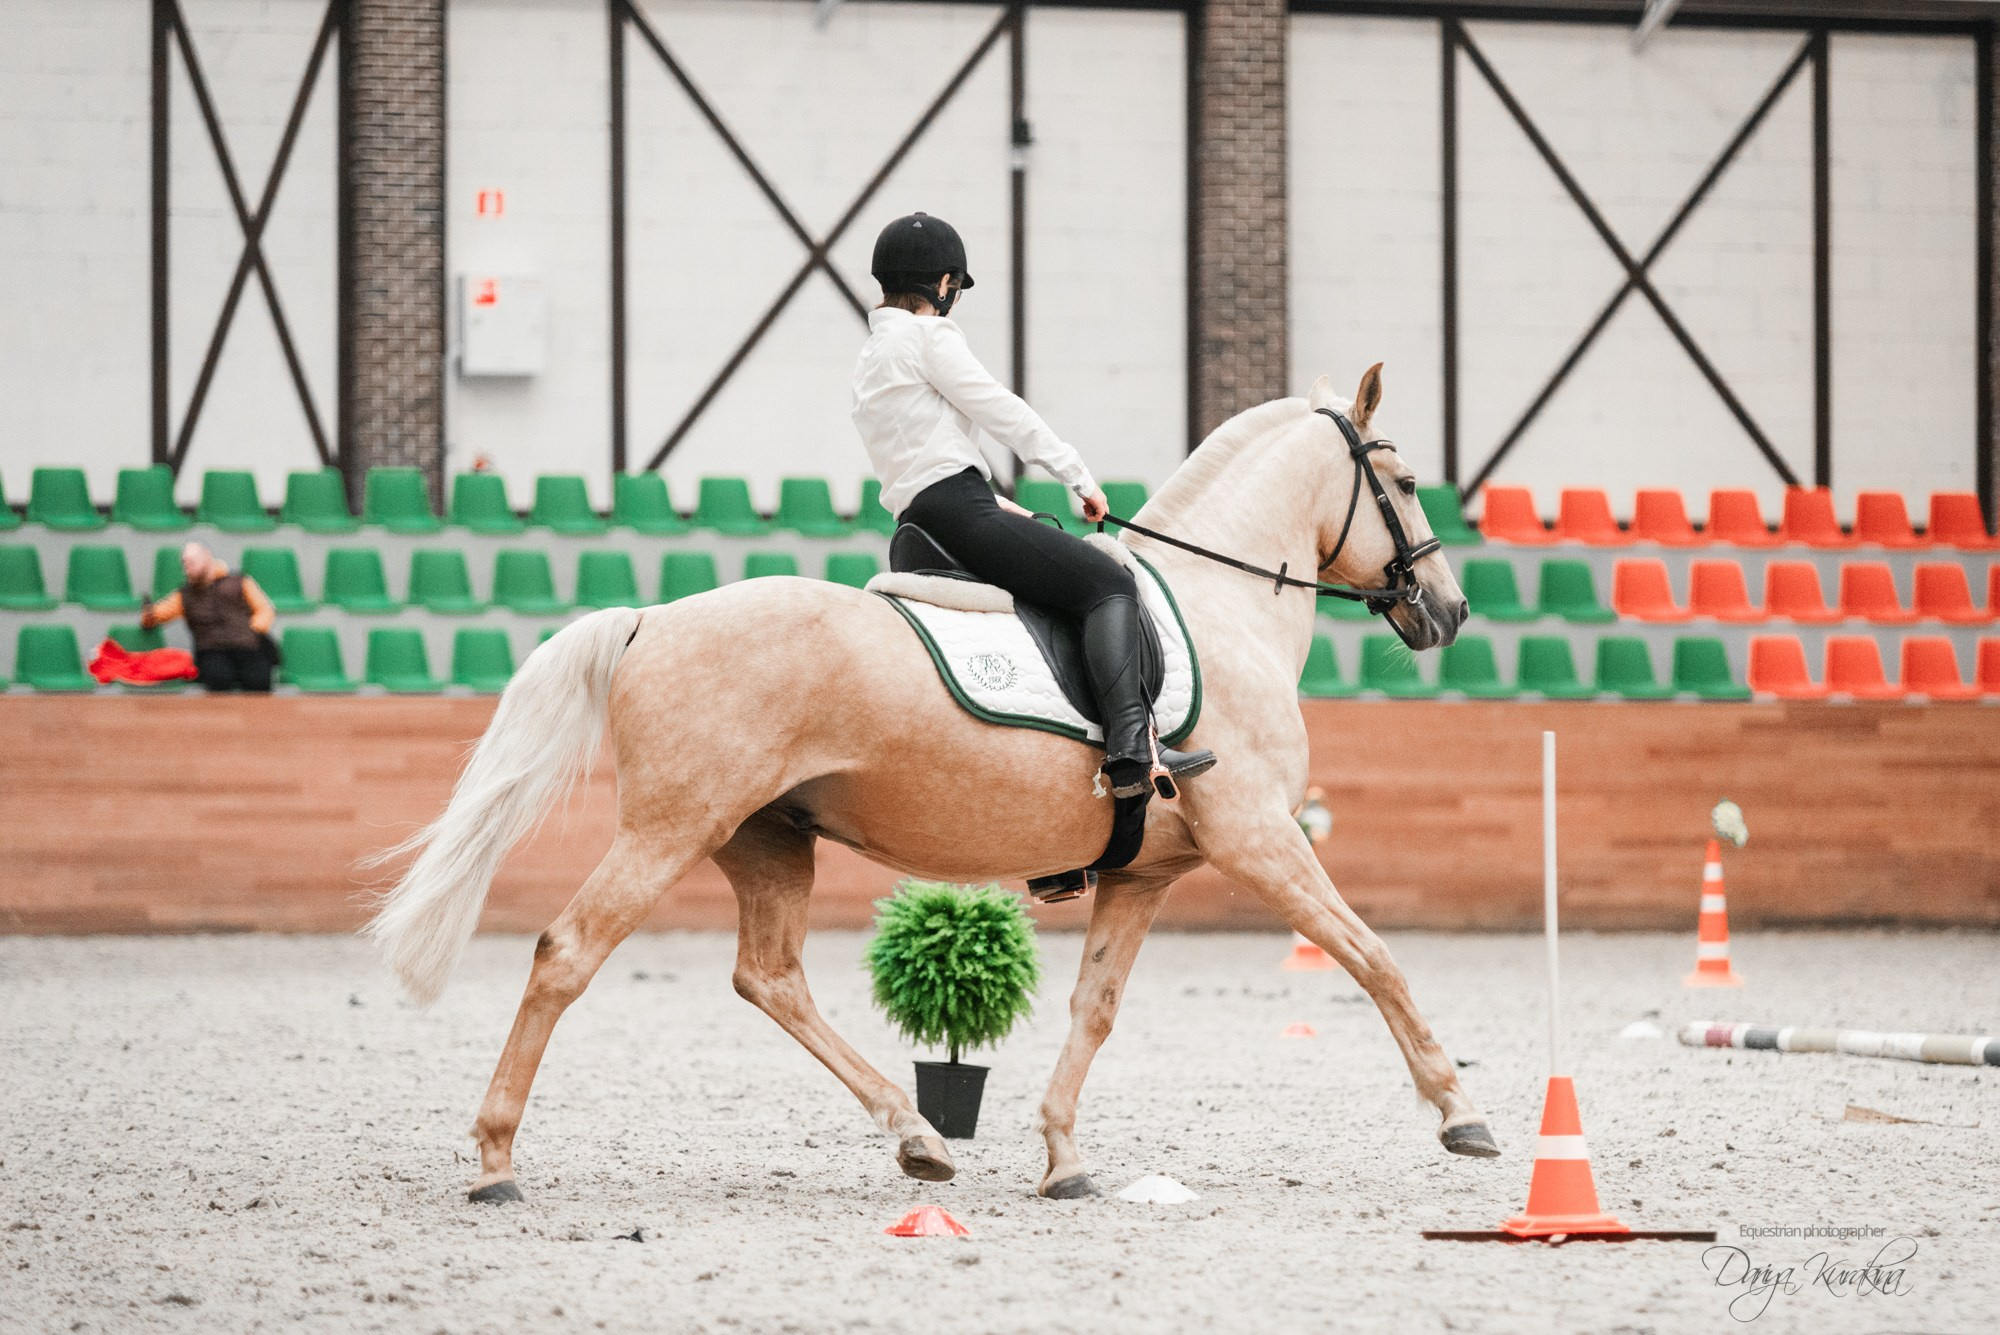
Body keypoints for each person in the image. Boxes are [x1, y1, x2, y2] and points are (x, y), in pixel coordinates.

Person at [851, 211, 1215, 798]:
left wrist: (998, 502)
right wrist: (1078, 477)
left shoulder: (872, 355)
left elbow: (921, 452)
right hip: (959, 513)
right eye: (954, 288)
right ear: (943, 285)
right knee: (1107, 583)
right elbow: (1004, 413)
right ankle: (1130, 745)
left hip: (919, 521)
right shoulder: (929, 337)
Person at [139, 541, 277, 693]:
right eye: (184, 565)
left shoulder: (240, 582)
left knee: (259, 680)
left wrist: (254, 629)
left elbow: (265, 609)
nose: (187, 569)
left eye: (191, 563)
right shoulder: (185, 595)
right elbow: (160, 613)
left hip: (247, 646)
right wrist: (149, 615)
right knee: (218, 679)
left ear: (206, 558)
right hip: (211, 650)